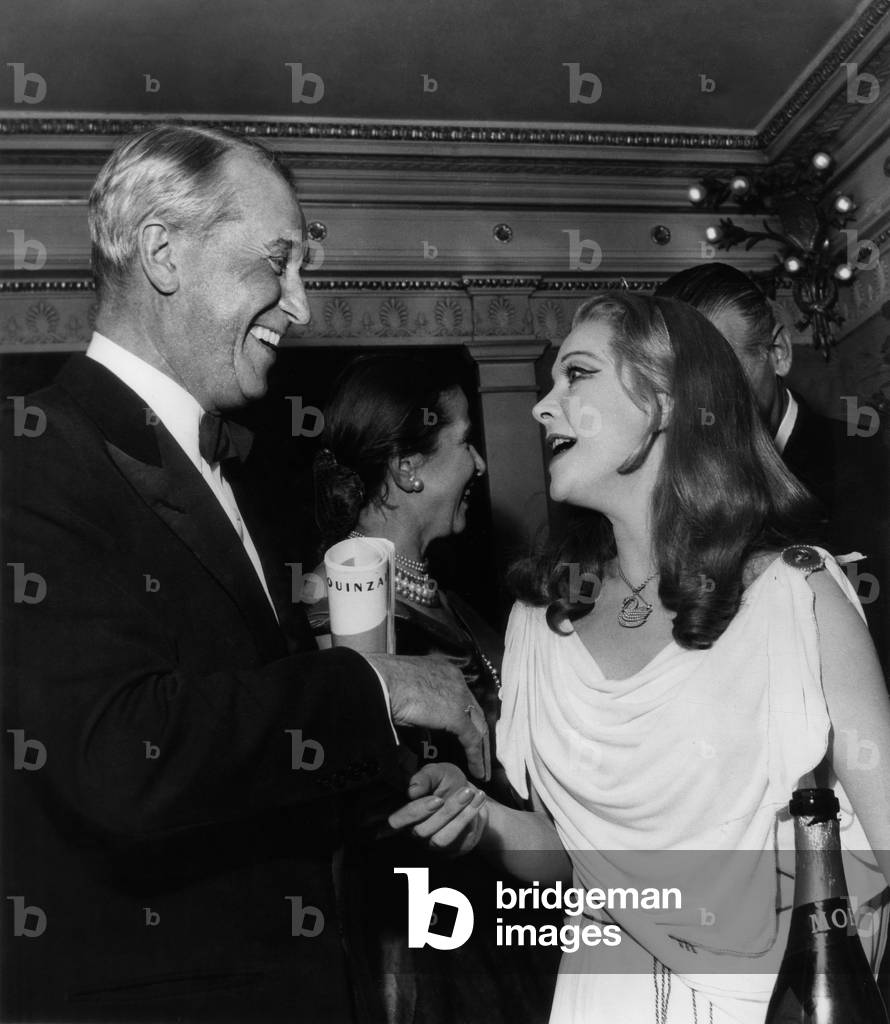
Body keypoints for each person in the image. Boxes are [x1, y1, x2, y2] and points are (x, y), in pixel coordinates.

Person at [0, 124, 490, 1024]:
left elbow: (249, 771)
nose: (299, 307)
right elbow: (118, 756)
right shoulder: (30, 451)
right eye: (277, 263)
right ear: (162, 252)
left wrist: (402, 794)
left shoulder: (228, 476)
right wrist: (375, 685)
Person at [389, 294, 890, 1023]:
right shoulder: (540, 619)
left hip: (768, 1001)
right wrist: (479, 817)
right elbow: (570, 862)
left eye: (577, 375)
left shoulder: (795, 595)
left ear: (663, 401)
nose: (541, 407)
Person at [309, 354, 559, 1024]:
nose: (480, 464)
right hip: (434, 959)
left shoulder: (441, 596)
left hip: (502, 924)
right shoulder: (341, 617)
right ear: (408, 468)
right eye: (465, 441)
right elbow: (376, 815)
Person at [655, 262, 889, 670]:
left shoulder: (875, 463)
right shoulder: (657, 495)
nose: (699, 400)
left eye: (719, 370)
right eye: (676, 380)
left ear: (777, 353)